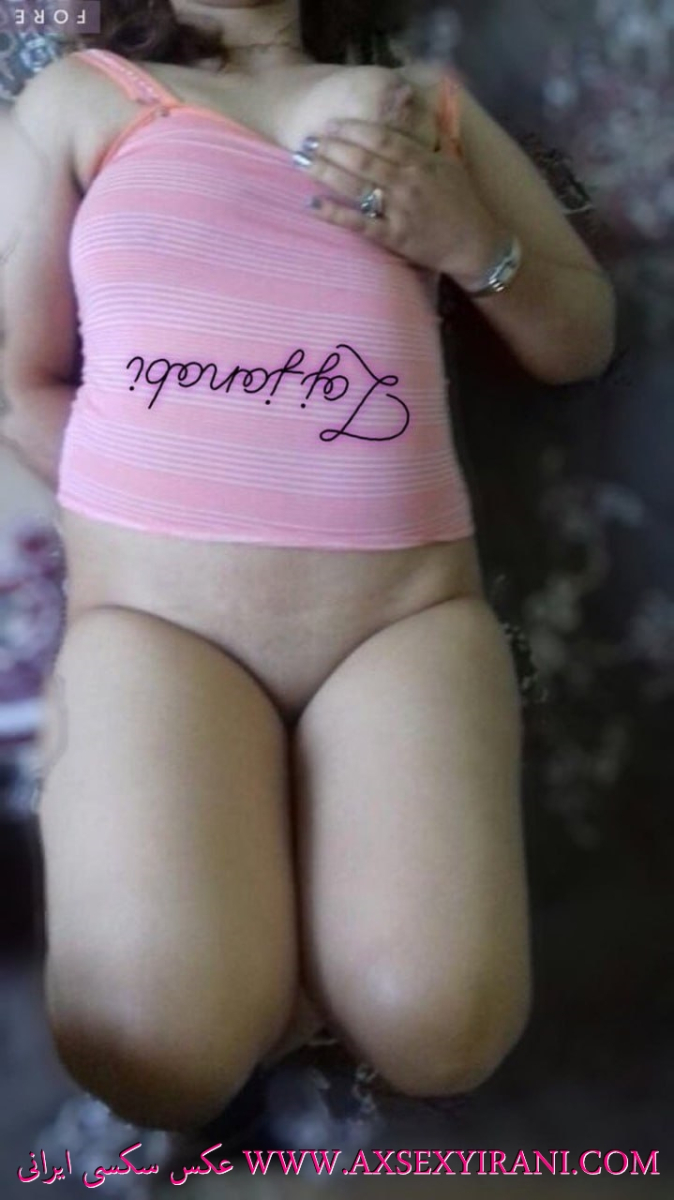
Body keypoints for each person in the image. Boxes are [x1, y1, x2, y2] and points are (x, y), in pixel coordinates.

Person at [0, 0, 616, 1132]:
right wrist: (153, 503)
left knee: (443, 1032)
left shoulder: (419, 101)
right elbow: (15, 378)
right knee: (153, 1050)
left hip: (397, 627)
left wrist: (470, 244)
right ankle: (256, 936)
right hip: (159, 630)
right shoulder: (82, 100)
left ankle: (298, 942)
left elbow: (579, 337)